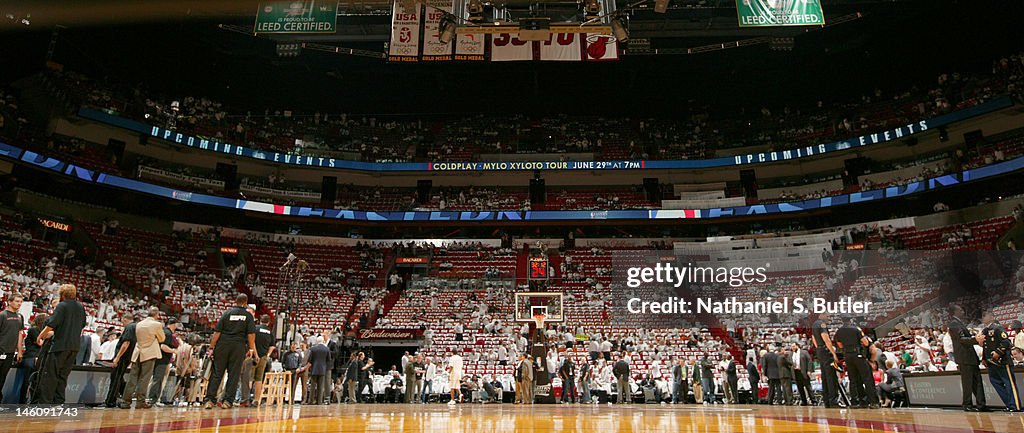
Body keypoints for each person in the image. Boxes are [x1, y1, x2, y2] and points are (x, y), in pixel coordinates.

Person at [204, 294, 257, 409]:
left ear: (236, 301)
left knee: (217, 373)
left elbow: (217, 332)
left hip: (222, 345)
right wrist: (251, 348)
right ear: (246, 302)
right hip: (238, 347)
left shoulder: (227, 313)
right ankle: (227, 401)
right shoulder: (248, 316)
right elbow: (251, 334)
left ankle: (209, 400)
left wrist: (212, 348)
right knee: (233, 375)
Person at [35, 284, 87, 404]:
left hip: (60, 346)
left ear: (62, 294)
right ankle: (58, 403)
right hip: (74, 347)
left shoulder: (62, 306)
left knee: (50, 375)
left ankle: (45, 403)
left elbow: (51, 324)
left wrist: (40, 336)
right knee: (63, 376)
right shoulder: (80, 306)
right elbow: (83, 324)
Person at [119, 307, 165, 409]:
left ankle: (125, 401)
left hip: (138, 351)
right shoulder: (157, 324)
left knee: (132, 378)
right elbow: (162, 338)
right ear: (156, 315)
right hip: (149, 353)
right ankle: (140, 401)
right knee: (145, 378)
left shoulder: (139, 324)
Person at [979, 310, 1021, 412]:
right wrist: (984, 358)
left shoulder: (998, 328)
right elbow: (986, 346)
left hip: (1003, 361)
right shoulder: (984, 331)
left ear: (992, 317)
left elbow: (1006, 342)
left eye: (986, 315)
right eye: (983, 316)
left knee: (1009, 383)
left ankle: (1015, 406)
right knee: (995, 382)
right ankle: (1009, 404)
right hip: (991, 362)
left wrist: (998, 352)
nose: (983, 318)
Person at [835, 317, 880, 409]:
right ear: (850, 320)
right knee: (867, 379)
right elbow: (866, 343)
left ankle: (856, 402)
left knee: (853, 380)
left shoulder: (839, 331)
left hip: (847, 356)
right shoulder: (856, 329)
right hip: (858, 355)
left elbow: (839, 345)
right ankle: (873, 402)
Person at [949, 305, 986, 412]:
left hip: (970, 356)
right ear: (955, 312)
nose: (963, 312)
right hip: (964, 357)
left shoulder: (958, 323)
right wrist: (976, 339)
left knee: (977, 381)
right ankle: (967, 404)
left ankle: (981, 404)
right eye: (960, 310)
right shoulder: (954, 323)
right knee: (968, 382)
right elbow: (962, 339)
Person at [104, 313, 136, 407]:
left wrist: (117, 357)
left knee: (115, 378)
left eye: (122, 322)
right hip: (127, 357)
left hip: (123, 357)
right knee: (120, 379)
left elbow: (126, 343)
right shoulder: (135, 327)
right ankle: (123, 396)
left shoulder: (130, 327)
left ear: (125, 319)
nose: (122, 324)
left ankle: (110, 401)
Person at [0, 293, 25, 404]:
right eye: (17, 301)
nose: (19, 303)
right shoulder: (2, 315)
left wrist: (19, 351)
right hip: (0, 350)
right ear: (9, 302)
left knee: (2, 378)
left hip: (10, 353)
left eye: (20, 302)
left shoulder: (20, 317)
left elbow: (20, 334)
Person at [147, 317, 179, 406]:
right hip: (162, 359)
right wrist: (174, 351)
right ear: (174, 324)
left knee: (156, 379)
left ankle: (152, 398)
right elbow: (163, 347)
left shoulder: (163, 330)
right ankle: (152, 399)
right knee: (158, 379)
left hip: (157, 357)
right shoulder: (168, 333)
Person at [812, 312, 840, 408]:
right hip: (825, 351)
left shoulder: (814, 324)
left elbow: (813, 339)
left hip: (820, 351)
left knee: (824, 377)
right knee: (831, 377)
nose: (828, 318)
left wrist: (818, 349)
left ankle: (827, 401)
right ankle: (833, 401)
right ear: (822, 315)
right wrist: (833, 353)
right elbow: (826, 339)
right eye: (827, 316)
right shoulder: (822, 324)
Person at [18, 313, 47, 404]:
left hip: (37, 358)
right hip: (31, 357)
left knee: (35, 382)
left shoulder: (40, 331)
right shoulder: (33, 330)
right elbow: (40, 343)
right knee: (27, 382)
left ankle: (33, 402)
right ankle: (23, 402)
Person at [251, 314, 276, 407]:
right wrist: (267, 354)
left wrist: (255, 353)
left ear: (260, 320)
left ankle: (245, 399)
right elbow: (272, 345)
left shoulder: (255, 328)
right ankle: (256, 400)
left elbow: (252, 341)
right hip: (264, 357)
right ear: (268, 322)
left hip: (253, 355)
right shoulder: (270, 332)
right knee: (259, 379)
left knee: (249, 378)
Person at [305, 336, 331, 405]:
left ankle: (311, 401)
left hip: (314, 369)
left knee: (313, 386)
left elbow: (310, 359)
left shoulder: (313, 349)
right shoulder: (327, 349)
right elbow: (328, 359)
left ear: (317, 341)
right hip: (322, 369)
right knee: (321, 386)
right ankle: (319, 401)